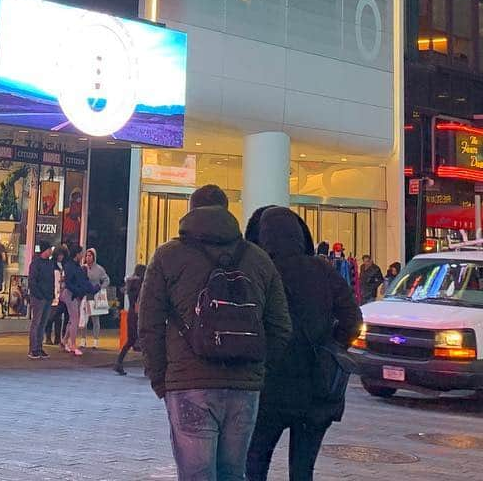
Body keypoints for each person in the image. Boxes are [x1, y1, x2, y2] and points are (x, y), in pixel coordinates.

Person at [139, 185, 292, 481]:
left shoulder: (167, 256)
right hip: (244, 387)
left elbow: (149, 324)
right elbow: (281, 327)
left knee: (197, 475)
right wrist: (256, 370)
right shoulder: (259, 259)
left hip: (188, 383)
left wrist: (161, 379)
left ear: (191, 211)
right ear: (227, 211)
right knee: (233, 473)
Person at [245, 207, 363, 481]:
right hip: (316, 388)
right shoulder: (322, 269)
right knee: (302, 470)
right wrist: (331, 345)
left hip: (270, 387)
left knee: (255, 461)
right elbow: (353, 319)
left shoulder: (260, 271)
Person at [61, 245, 96, 355]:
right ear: (77, 254)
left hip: (74, 294)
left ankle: (65, 340)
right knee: (75, 319)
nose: (83, 256)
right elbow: (71, 282)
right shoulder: (72, 267)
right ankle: (73, 344)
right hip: (72, 294)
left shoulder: (75, 266)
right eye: (81, 253)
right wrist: (80, 291)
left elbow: (80, 281)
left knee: (72, 319)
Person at [115, 263, 145, 374]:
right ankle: (149, 367)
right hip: (138, 314)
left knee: (131, 340)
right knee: (144, 339)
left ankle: (119, 362)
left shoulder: (130, 284)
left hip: (131, 313)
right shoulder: (141, 286)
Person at [28, 241, 56, 359]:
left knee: (42, 323)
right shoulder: (36, 263)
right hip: (39, 297)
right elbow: (32, 281)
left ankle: (39, 347)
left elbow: (51, 280)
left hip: (47, 296)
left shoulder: (49, 263)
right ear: (45, 250)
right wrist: (38, 294)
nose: (51, 251)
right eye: (49, 249)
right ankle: (33, 348)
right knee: (37, 322)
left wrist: (52, 293)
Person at [79, 247, 110, 349]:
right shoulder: (83, 268)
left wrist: (101, 288)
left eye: (90, 255)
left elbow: (106, 280)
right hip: (85, 295)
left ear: (94, 257)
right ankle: (83, 340)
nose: (88, 257)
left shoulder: (99, 269)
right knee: (84, 318)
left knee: (95, 319)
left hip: (95, 295)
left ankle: (95, 341)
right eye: (87, 255)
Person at [47, 244, 68, 346]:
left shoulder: (64, 265)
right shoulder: (51, 265)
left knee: (58, 317)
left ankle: (57, 337)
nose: (61, 257)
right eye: (59, 255)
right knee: (51, 316)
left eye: (62, 255)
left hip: (61, 293)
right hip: (53, 292)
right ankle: (47, 336)